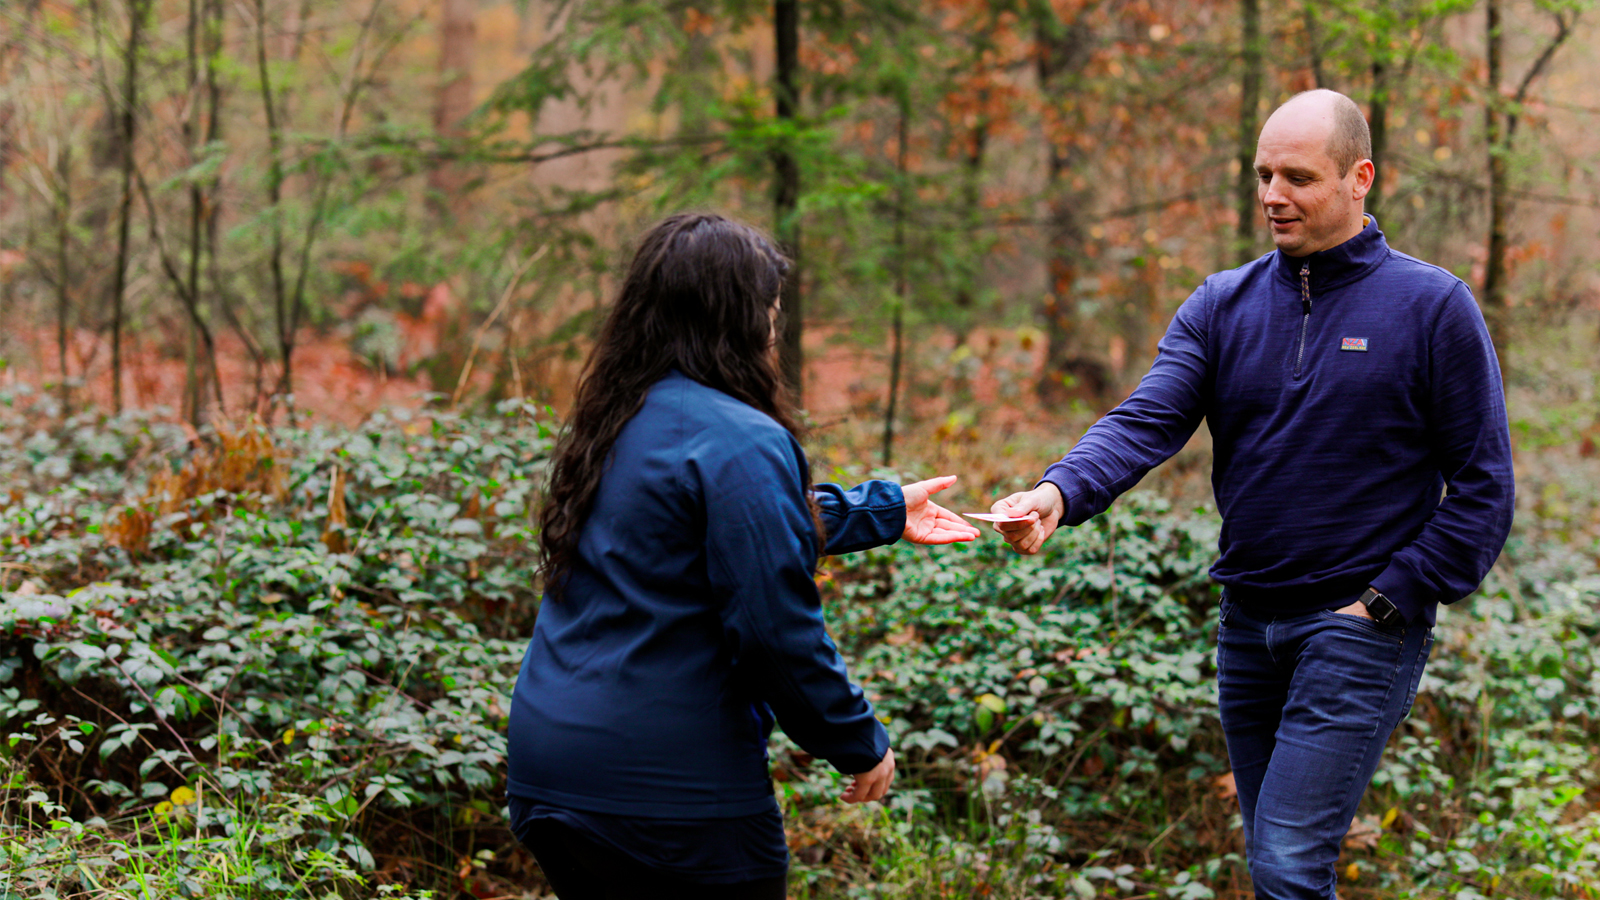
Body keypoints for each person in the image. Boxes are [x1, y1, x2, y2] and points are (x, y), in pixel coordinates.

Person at [991, 89, 1514, 899]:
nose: (1274, 194)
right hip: (1248, 627)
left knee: (1287, 865)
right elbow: (1146, 420)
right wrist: (1058, 492)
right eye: (1264, 174)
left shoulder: (1432, 307)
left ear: (1359, 178)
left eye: (1299, 177)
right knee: (1277, 862)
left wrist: (1387, 601)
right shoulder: (1221, 304)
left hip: (1358, 628)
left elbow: (1485, 488)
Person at [505, 212, 981, 899]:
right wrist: (856, 739)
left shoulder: (615, 419)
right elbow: (774, 631)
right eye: (771, 311)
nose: (774, 330)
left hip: (551, 777)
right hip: (671, 798)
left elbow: (710, 531)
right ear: (738, 319)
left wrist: (882, 510)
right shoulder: (739, 438)